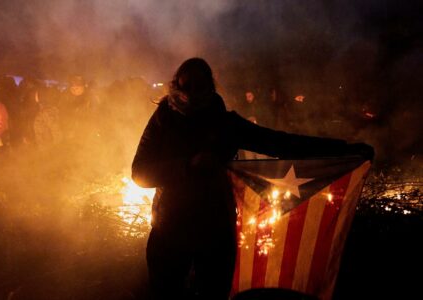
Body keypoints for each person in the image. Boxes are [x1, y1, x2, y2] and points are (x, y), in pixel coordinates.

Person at [131, 58, 373, 299]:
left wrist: (346, 149)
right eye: (187, 86)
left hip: (215, 230)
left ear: (210, 87)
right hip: (170, 230)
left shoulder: (225, 124)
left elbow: (282, 143)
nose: (193, 93)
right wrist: (187, 166)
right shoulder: (164, 120)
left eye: (199, 86)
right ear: (177, 87)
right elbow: (139, 173)